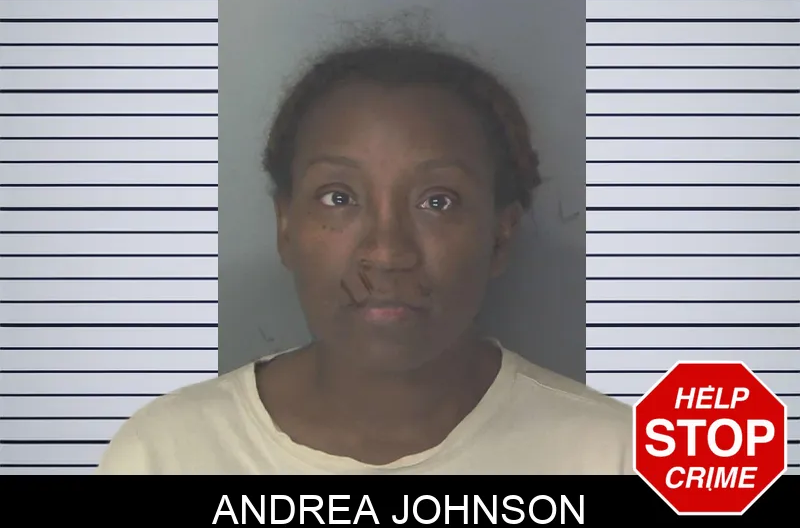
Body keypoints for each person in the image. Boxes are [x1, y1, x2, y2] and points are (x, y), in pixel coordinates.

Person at [96, 37, 633, 475]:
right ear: (285, 226)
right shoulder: (165, 454)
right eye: (339, 198)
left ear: (500, 236)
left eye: (438, 202)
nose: (387, 252)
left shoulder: (613, 454)